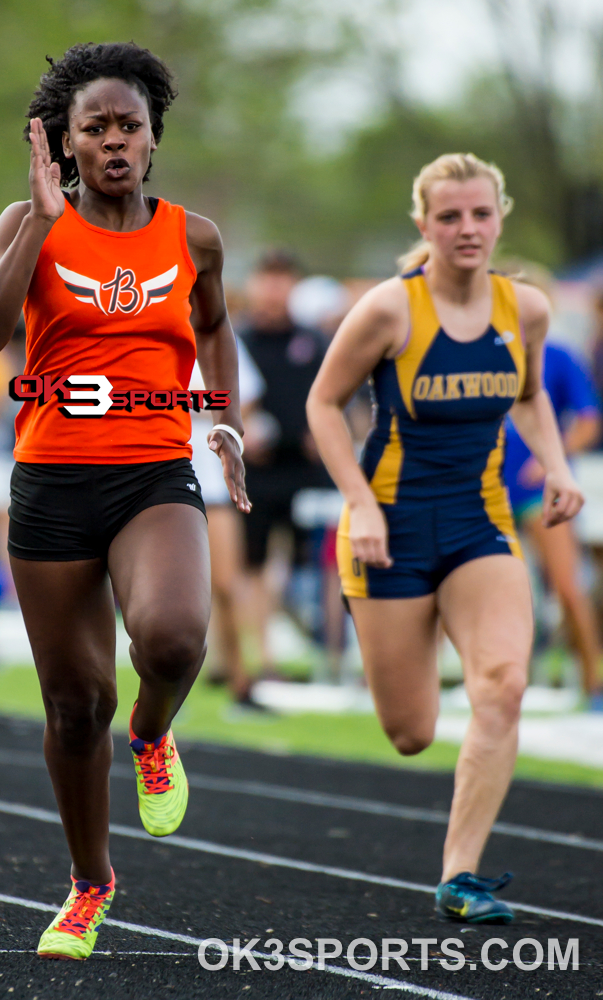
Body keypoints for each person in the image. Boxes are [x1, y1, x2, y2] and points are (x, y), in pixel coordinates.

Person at [0, 42, 249, 961]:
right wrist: (42, 225)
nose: (116, 141)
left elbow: (212, 326)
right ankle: (91, 884)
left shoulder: (193, 236)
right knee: (73, 706)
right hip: (51, 484)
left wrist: (222, 422)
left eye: (131, 125)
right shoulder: (29, 219)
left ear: (154, 138)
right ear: (67, 143)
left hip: (151, 474)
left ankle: (154, 733)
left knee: (172, 639)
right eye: (96, 128)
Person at [307, 153, 583, 924]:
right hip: (387, 532)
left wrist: (557, 467)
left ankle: (459, 877)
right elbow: (324, 405)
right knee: (410, 732)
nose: (468, 229)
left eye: (481, 214)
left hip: (480, 521)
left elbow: (529, 396)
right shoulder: (391, 310)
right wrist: (358, 505)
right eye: (451, 216)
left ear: (501, 217)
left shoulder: (522, 308)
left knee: (504, 684)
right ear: (424, 225)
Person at [239, 252, 330, 674]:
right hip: (255, 467)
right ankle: (263, 655)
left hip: (305, 468)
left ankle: (326, 651)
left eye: (283, 280)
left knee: (304, 564)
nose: (274, 289)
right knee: (253, 562)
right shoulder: (239, 340)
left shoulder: (312, 342)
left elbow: (333, 394)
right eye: (267, 279)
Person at [504, 340, 603, 705]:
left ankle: (594, 685)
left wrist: (551, 460)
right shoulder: (480, 347)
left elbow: (588, 422)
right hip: (488, 486)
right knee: (492, 593)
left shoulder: (558, 356)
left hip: (538, 489)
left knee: (567, 587)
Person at [189, 340, 263, 704]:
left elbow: (244, 399)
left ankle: (241, 682)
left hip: (213, 484)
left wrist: (193, 406)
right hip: (157, 480)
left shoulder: (220, 339)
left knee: (227, 584)